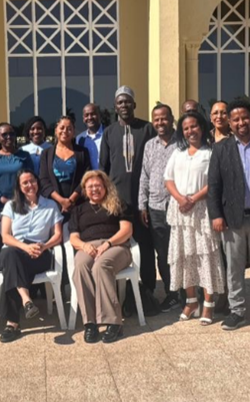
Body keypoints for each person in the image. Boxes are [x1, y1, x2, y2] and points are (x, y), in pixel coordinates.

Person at [207, 99, 250, 333]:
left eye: (244, 117)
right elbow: (214, 185)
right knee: (234, 268)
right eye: (235, 119)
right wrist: (216, 215)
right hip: (231, 219)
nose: (241, 123)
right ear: (229, 122)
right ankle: (236, 311)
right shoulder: (220, 149)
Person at [99, 85, 159, 317]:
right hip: (117, 202)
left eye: (128, 102)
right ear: (115, 106)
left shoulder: (147, 129)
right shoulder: (109, 132)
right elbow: (103, 169)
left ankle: (148, 290)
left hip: (142, 200)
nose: (124, 106)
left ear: (134, 104)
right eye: (120, 102)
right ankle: (120, 292)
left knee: (145, 246)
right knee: (119, 244)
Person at [164, 111, 222, 325]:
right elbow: (167, 179)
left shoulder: (210, 152)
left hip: (202, 210)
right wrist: (181, 199)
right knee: (184, 256)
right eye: (186, 128)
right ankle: (191, 301)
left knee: (205, 257)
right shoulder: (178, 153)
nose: (190, 131)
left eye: (194, 126)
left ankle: (208, 304)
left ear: (202, 128)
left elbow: (215, 181)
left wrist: (193, 199)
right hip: (180, 211)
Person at [0, 169, 64, 342]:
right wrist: (25, 247)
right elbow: (5, 236)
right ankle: (26, 300)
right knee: (11, 256)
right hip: (16, 248)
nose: (29, 185)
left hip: (40, 252)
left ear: (37, 182)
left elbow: (58, 235)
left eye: (32, 181)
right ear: (19, 186)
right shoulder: (10, 206)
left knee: (12, 267)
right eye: (24, 183)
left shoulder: (50, 205)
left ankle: (12, 323)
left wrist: (44, 246)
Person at [69, 170, 134, 343]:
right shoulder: (78, 210)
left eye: (98, 185)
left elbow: (126, 230)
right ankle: (90, 323)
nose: (94, 189)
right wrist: (84, 246)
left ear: (105, 186)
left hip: (116, 246)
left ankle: (114, 322)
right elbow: (73, 238)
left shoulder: (117, 203)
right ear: (84, 189)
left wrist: (108, 244)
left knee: (101, 265)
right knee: (81, 266)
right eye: (90, 186)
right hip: (88, 247)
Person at [138, 105, 180, 313]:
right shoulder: (149, 145)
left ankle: (188, 292)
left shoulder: (182, 143)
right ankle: (172, 293)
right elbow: (144, 176)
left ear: (172, 119)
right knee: (162, 254)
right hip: (155, 207)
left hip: (179, 207)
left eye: (164, 119)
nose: (160, 123)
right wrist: (142, 204)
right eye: (156, 119)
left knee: (182, 251)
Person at [0, 123, 34, 230]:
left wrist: (22, 199)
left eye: (11, 134)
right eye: (4, 135)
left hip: (22, 204)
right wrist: (2, 199)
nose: (9, 137)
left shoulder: (24, 156)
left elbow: (32, 180)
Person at [41, 116, 90, 217]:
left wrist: (71, 200)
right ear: (56, 130)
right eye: (62, 127)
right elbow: (44, 180)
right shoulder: (46, 153)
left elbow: (86, 178)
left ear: (73, 132)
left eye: (69, 128)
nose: (65, 131)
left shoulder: (82, 152)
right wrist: (62, 201)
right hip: (53, 205)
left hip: (77, 204)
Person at [76, 103, 104, 170]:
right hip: (88, 179)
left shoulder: (108, 134)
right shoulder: (80, 139)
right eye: (86, 115)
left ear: (99, 116)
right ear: (83, 118)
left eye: (93, 114)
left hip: (107, 178)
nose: (90, 117)